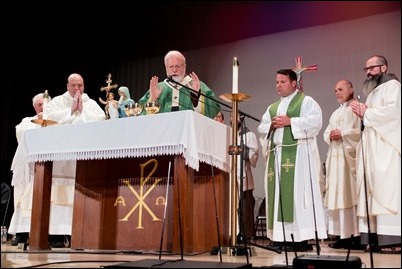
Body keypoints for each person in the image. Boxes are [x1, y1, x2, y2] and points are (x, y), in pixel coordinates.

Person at [257, 69, 327, 252]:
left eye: (282, 82)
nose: (278, 85)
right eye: (277, 82)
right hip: (276, 156)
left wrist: (291, 122)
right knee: (277, 195)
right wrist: (271, 125)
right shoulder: (272, 107)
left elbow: (315, 122)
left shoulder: (306, 101)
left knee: (296, 194)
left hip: (298, 156)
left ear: (293, 83)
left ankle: (299, 239)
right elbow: (262, 127)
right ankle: (280, 237)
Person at [42, 73, 106, 246]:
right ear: (67, 86)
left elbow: (101, 119)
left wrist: (82, 111)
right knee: (59, 195)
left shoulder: (90, 103)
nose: (77, 89)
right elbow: (47, 118)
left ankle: (79, 234)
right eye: (74, 85)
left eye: (80, 85)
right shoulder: (57, 102)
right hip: (61, 159)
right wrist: (70, 111)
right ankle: (56, 235)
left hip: (81, 158)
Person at [350, 55, 401, 254]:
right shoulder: (372, 93)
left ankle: (392, 239)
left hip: (386, 147)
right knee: (371, 191)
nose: (369, 72)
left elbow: (393, 114)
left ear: (384, 67)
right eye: (367, 69)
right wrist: (362, 112)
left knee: (386, 190)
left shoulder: (393, 87)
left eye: (373, 67)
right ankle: (375, 238)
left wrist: (366, 112)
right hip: (371, 147)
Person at [323, 80, 365, 250]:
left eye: (340, 89)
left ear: (351, 89)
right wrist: (331, 135)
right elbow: (327, 133)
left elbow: (362, 131)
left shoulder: (357, 108)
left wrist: (343, 133)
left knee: (350, 197)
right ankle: (342, 236)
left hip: (349, 161)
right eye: (335, 90)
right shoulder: (335, 113)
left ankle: (355, 237)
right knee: (337, 197)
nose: (337, 93)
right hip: (336, 160)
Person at [8, 92, 51, 245]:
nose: (43, 107)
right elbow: (20, 134)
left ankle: (53, 236)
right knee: (25, 200)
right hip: (28, 169)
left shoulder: (55, 121)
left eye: (45, 104)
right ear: (35, 107)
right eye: (40, 104)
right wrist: (36, 122)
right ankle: (21, 233)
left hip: (47, 167)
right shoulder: (27, 121)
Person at [138, 50, 220, 119]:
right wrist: (152, 100)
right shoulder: (158, 87)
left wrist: (196, 96)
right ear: (166, 67)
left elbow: (213, 109)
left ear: (184, 66)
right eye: (170, 67)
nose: (174, 70)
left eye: (178, 66)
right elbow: (140, 115)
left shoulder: (197, 85)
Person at [231, 113, 259, 242]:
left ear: (241, 119)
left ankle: (246, 235)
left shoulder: (248, 135)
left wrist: (243, 150)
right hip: (230, 174)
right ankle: (232, 233)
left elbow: (254, 153)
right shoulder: (227, 134)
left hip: (244, 174)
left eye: (236, 116)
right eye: (231, 116)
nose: (233, 119)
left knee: (245, 207)